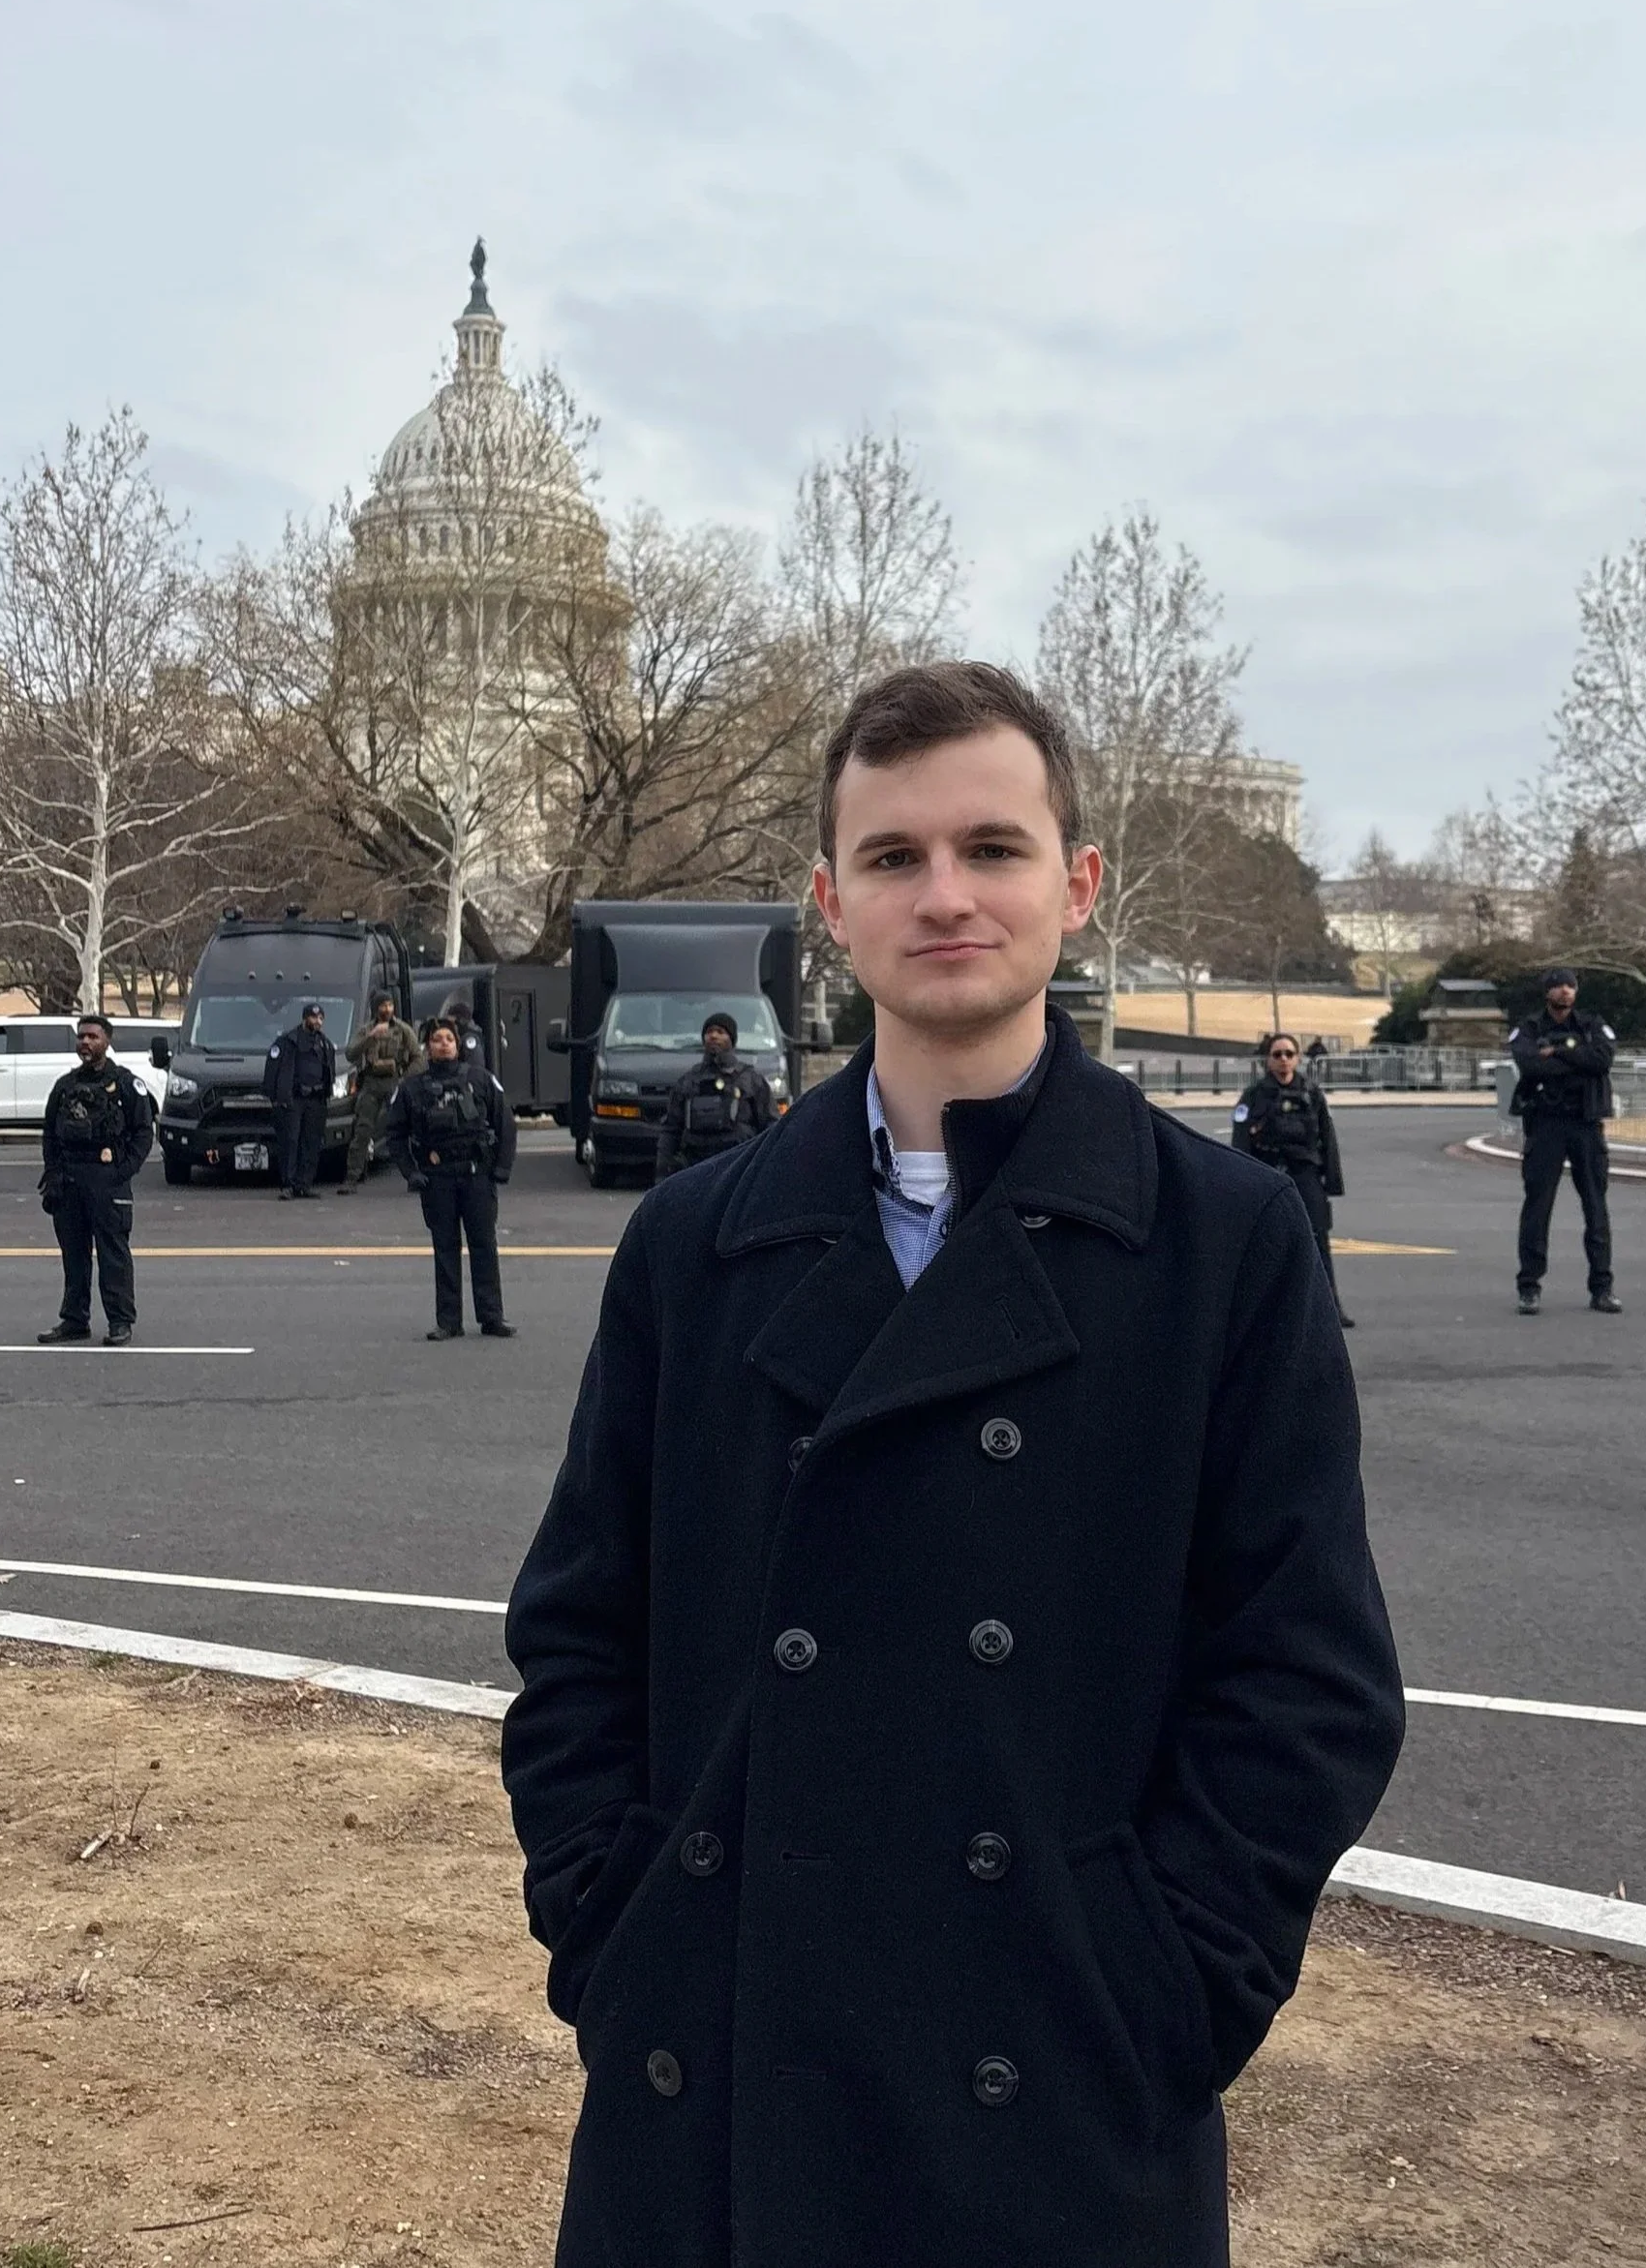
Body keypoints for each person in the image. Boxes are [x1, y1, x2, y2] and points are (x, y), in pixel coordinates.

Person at [501, 661, 1403, 2268]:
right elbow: (580, 1632)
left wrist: (1168, 1984)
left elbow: (1308, 1677)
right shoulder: (694, 1242)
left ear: (1078, 884)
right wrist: (612, 1928)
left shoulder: (1228, 1244)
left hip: (1056, 2066)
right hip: (712, 2058)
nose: (946, 896)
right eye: (895, 858)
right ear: (829, 906)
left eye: (991, 849)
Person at [384, 1015, 516, 1341]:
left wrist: (501, 1168)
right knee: (445, 1249)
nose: (444, 1043)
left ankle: (491, 1317)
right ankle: (448, 1321)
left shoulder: (481, 1079)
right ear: (427, 1046)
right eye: (437, 1039)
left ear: (458, 1045)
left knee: (484, 1245)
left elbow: (506, 1124)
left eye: (449, 1039)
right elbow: (395, 1134)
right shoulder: (411, 1088)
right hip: (437, 1179)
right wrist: (411, 1172)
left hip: (476, 1177)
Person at [34, 1014, 157, 1347]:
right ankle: (74, 1320)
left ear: (107, 1041)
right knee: (73, 1256)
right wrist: (54, 1172)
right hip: (70, 1183)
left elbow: (144, 1133)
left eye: (92, 1036)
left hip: (108, 1183)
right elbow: (49, 1134)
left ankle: (120, 1322)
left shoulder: (127, 1084)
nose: (85, 1043)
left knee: (113, 1255)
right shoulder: (65, 1086)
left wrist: (121, 1171)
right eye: (81, 1037)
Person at [1509, 966, 1620, 1315]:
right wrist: (1576, 1059)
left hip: (1585, 1124)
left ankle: (1602, 1288)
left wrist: (1556, 1053)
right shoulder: (1530, 1028)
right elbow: (1529, 1064)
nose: (1565, 992)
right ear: (1547, 993)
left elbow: (1602, 1060)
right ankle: (1529, 1287)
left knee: (1596, 1208)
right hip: (1545, 1125)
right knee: (1537, 1208)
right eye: (1558, 987)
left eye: (1570, 986)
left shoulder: (1592, 1024)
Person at [1232, 1029, 1354, 1325]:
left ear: (1298, 1058)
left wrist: (1331, 1182)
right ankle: (1261, 1315)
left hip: (1305, 1175)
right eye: (1277, 1055)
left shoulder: (1311, 1094)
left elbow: (1327, 1138)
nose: (1284, 1060)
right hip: (1269, 1176)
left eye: (1289, 1054)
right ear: (1268, 1060)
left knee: (1317, 1242)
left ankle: (1330, 1310)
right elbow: (1240, 1143)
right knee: (1265, 1246)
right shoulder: (1253, 1096)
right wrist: (1242, 1186)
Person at [655, 1010, 779, 1180]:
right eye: (709, 1032)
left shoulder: (750, 1080)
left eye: (720, 1032)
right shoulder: (688, 1081)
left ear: (731, 1039)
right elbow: (671, 1129)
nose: (713, 1036)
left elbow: (771, 1126)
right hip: (695, 1167)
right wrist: (663, 1171)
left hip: (737, 1167)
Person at [340, 993, 420, 1193]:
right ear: (376, 1009)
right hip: (371, 1084)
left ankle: (413, 1175)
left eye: (390, 1004)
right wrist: (370, 1037)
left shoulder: (402, 1030)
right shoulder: (367, 1030)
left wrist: (405, 1080)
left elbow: (418, 1058)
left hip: (395, 1084)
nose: (387, 1009)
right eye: (383, 1005)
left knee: (403, 1129)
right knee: (362, 1130)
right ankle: (352, 1179)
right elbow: (350, 1054)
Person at [262, 999, 337, 1198]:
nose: (318, 1021)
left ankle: (304, 1184)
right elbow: (272, 1071)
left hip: (316, 1099)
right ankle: (288, 1184)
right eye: (314, 1017)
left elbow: (329, 1070)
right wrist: (275, 1098)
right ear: (305, 1018)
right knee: (290, 1142)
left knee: (311, 1142)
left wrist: (327, 1093)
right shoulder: (288, 1041)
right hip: (293, 1100)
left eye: (321, 1018)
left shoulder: (325, 1044)